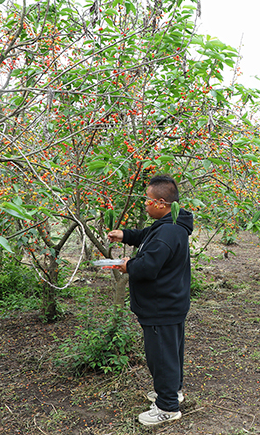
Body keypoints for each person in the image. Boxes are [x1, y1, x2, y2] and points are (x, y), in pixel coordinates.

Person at [107, 174, 193, 426]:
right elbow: (147, 236)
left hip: (160, 305)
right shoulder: (172, 224)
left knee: (161, 356)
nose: (144, 204)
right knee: (171, 352)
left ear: (161, 202)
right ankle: (172, 392)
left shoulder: (168, 231)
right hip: (171, 301)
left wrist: (128, 265)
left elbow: (148, 266)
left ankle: (167, 407)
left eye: (147, 200)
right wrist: (124, 235)